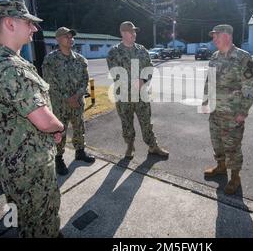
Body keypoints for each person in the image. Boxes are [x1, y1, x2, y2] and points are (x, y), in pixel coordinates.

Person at [0, 0, 64, 238]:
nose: (34, 28)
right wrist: (58, 127)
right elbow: (44, 121)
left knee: (22, 214)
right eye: (28, 22)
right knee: (40, 218)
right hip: (28, 163)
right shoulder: (8, 67)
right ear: (9, 23)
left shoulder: (3, 61)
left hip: (16, 157)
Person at [202, 24, 253, 195]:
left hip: (233, 114)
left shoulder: (242, 57)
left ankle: (235, 177)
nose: (214, 39)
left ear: (227, 36)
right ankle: (221, 166)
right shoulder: (214, 56)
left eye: (216, 35)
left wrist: (243, 111)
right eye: (213, 36)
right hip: (215, 112)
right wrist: (205, 102)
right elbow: (208, 82)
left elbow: (249, 87)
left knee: (232, 147)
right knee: (217, 142)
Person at [106, 21, 168, 159]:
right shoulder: (113, 52)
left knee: (147, 122)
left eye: (134, 31)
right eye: (131, 31)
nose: (134, 34)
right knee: (126, 123)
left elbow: (150, 68)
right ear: (123, 33)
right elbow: (115, 73)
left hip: (142, 94)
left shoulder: (142, 50)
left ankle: (153, 146)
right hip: (123, 96)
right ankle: (130, 146)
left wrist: (143, 80)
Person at [42, 27, 95, 175]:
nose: (70, 38)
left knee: (79, 127)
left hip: (77, 103)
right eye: (66, 36)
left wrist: (76, 96)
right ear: (58, 39)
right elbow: (49, 82)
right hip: (59, 104)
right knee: (60, 131)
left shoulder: (80, 59)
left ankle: (80, 152)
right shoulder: (50, 60)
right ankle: (58, 158)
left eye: (72, 36)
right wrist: (67, 98)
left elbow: (85, 80)